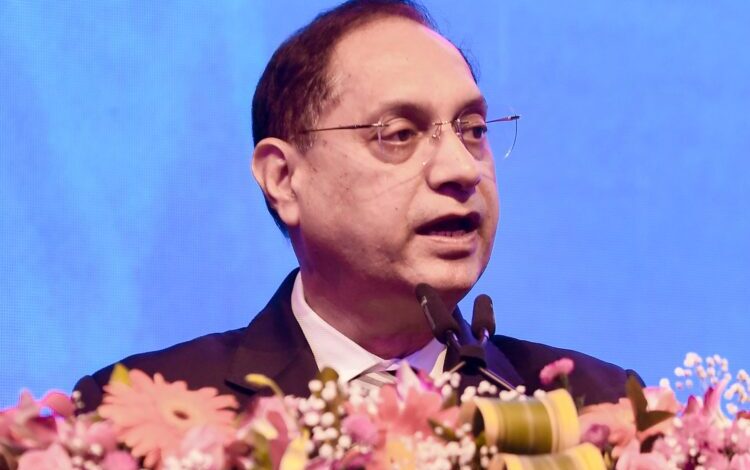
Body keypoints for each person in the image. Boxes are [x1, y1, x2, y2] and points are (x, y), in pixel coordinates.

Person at [75, 0, 636, 412]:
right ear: (284, 179)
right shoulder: (134, 414)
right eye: (399, 134)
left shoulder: (604, 413)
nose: (462, 169)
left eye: (473, 130)